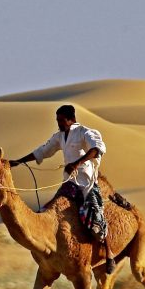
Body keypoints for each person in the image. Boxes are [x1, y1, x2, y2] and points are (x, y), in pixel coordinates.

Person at [8, 104, 115, 272]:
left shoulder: (85, 133)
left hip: (86, 182)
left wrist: (77, 163)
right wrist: (19, 161)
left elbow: (98, 149)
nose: (58, 123)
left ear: (71, 119)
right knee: (48, 209)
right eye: (57, 120)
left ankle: (109, 254)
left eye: (61, 120)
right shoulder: (59, 136)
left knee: (96, 215)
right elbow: (43, 151)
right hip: (69, 183)